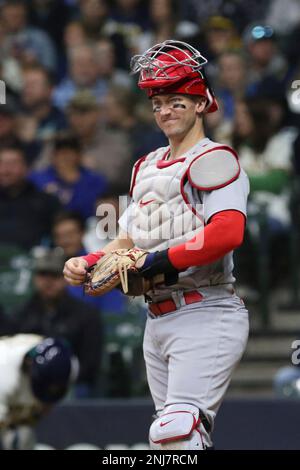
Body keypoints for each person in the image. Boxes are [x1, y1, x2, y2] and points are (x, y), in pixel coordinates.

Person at [63, 40, 250, 450]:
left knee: (177, 434)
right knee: (171, 442)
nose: (165, 111)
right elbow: (129, 240)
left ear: (201, 103)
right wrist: (89, 261)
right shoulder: (145, 166)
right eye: (158, 103)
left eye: (176, 102)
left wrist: (156, 261)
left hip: (205, 309)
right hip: (157, 319)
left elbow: (227, 233)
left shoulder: (216, 158)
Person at [14, 247, 102, 398]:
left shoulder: (86, 316)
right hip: (29, 384)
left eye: (54, 275)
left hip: (71, 385)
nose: (48, 281)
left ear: (65, 279)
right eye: (43, 274)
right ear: (35, 278)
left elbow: (90, 364)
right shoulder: (21, 314)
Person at [0, 334, 78, 450]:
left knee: (24, 435)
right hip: (8, 379)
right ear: (29, 364)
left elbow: (50, 398)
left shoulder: (70, 366)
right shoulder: (5, 374)